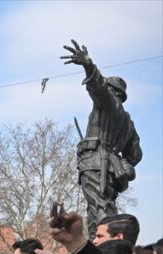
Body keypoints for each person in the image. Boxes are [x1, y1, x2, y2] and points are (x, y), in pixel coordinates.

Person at [61, 41, 142, 230]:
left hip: (96, 163)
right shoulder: (128, 123)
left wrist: (88, 65)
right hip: (111, 168)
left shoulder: (109, 104)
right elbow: (136, 155)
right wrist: (122, 162)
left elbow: (98, 87)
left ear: (113, 92)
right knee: (103, 207)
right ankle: (102, 247)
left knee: (99, 210)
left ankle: (104, 251)